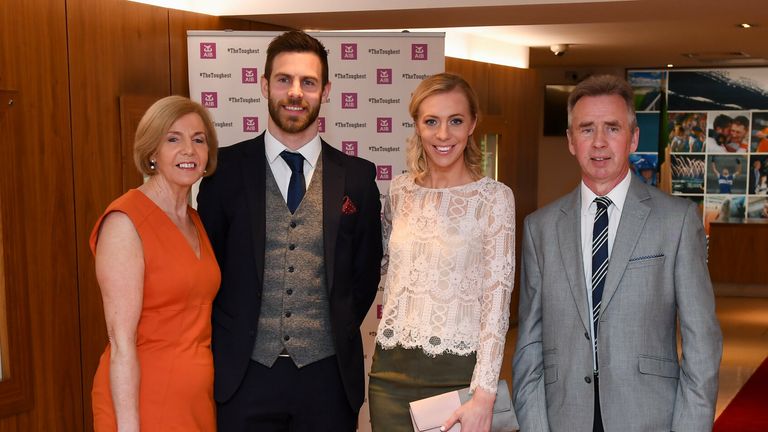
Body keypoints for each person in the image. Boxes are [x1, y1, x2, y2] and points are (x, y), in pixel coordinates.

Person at [512, 75, 722, 432]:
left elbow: (702, 343)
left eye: (612, 128)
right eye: (586, 129)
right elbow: (529, 345)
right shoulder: (539, 228)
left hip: (649, 417)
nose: (598, 143)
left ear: (633, 138)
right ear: (570, 141)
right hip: (564, 417)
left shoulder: (676, 221)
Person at [197, 31, 383, 431]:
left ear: (326, 91)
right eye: (284, 79)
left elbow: (365, 276)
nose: (295, 92)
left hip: (328, 380)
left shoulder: (358, 178)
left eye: (308, 82)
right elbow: (208, 269)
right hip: (245, 377)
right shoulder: (223, 171)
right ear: (264, 85)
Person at [368, 73, 516, 432]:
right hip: (389, 373)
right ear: (417, 125)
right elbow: (385, 264)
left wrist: (484, 394)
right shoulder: (400, 190)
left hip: (458, 375)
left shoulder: (494, 199)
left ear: (472, 125)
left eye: (455, 121)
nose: (443, 134)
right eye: (431, 121)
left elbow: (497, 303)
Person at [90, 96, 221, 431]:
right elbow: (120, 342)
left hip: (195, 402)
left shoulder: (193, 220)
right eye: (173, 139)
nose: (189, 150)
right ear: (151, 152)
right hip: (142, 402)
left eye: (198, 139)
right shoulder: (125, 221)